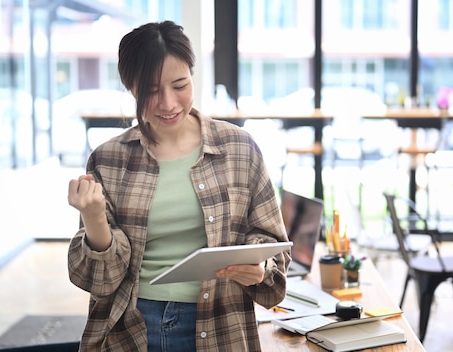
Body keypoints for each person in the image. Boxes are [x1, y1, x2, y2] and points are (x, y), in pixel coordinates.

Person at [67, 20, 291, 352]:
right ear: (130, 87)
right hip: (132, 327)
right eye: (151, 90)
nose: (169, 103)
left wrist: (259, 270)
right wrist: (95, 218)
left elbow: (274, 247)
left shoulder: (239, 149)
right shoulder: (108, 159)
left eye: (180, 84)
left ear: (192, 74)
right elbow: (101, 281)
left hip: (221, 322)